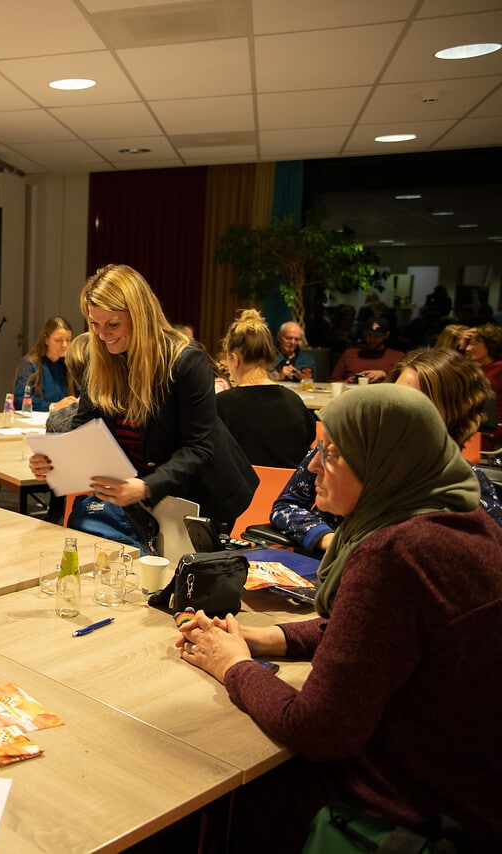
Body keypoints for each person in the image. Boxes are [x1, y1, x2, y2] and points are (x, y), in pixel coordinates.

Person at [175, 385, 502, 842]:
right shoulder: (465, 522)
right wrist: (268, 638)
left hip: (410, 813)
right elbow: (380, 634)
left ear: (381, 462)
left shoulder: (395, 552)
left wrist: (231, 664)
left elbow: (316, 728)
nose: (312, 467)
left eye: (330, 453)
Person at [33, 264, 257, 533]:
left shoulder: (184, 361)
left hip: (201, 495)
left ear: (139, 316)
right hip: (143, 495)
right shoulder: (101, 360)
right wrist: (54, 461)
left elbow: (199, 447)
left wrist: (147, 486)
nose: (103, 335)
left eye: (113, 324)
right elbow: (84, 428)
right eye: (95, 324)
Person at [270, 347, 502, 554]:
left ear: (450, 414)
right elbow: (286, 505)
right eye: (395, 397)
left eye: (415, 403)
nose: (395, 409)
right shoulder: (341, 447)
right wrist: (327, 539)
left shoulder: (465, 486)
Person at [215, 310, 317, 468]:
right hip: (285, 491)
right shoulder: (294, 402)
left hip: (239, 491)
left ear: (235, 360)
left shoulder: (220, 405)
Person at [12, 316, 76, 412]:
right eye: (58, 340)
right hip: (36, 419)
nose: (65, 345)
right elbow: (20, 400)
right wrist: (52, 406)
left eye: (68, 340)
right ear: (46, 340)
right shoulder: (30, 363)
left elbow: (81, 396)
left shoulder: (70, 364)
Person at [330, 315, 403, 383]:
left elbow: (404, 383)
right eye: (368, 335)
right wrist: (346, 382)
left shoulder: (397, 356)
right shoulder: (349, 354)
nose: (371, 339)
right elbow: (333, 381)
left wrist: (384, 374)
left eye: (377, 336)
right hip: (352, 393)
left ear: (386, 336)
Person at [465, 323, 502, 450]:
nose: (467, 349)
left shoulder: (499, 370)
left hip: (487, 434)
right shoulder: (482, 368)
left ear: (490, 344)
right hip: (476, 428)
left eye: (473, 344)